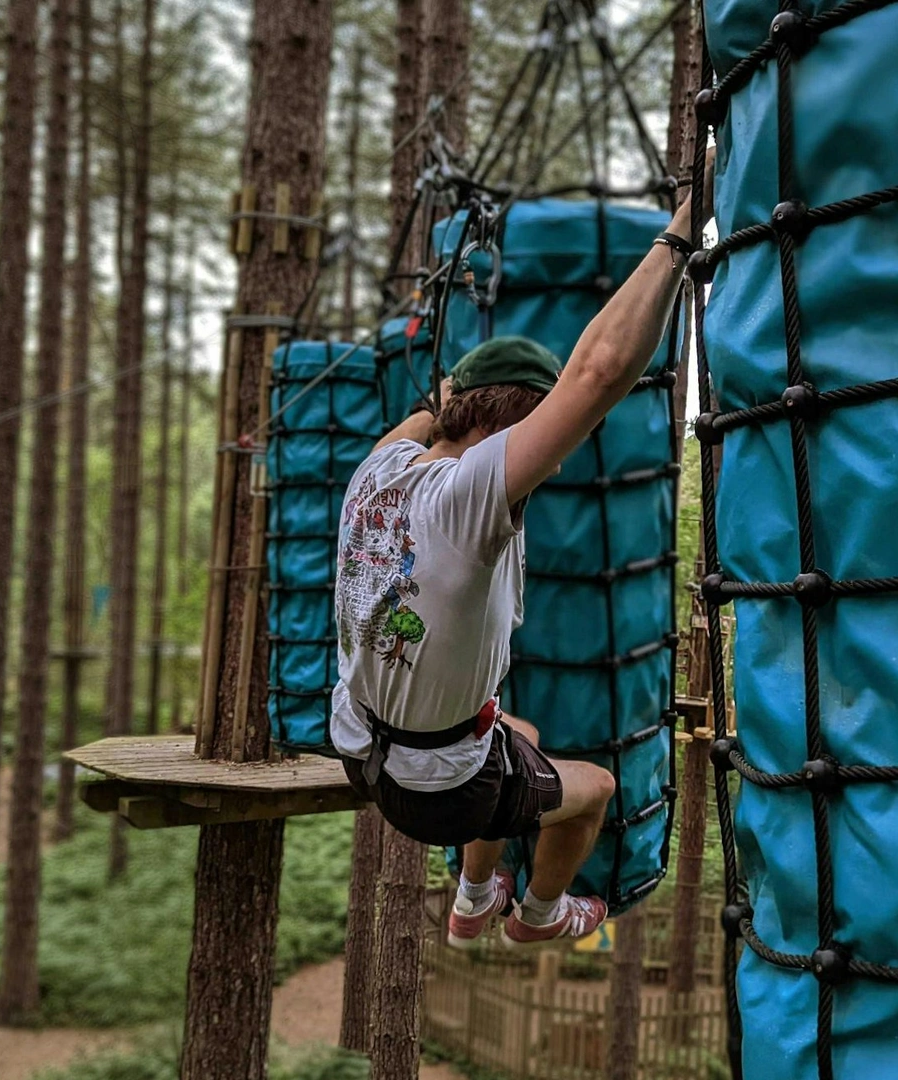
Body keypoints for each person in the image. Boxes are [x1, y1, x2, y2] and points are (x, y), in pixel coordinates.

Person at [332, 176, 707, 947]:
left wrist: (457, 390)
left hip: (361, 747)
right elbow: (598, 375)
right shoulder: (467, 500)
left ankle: (473, 898)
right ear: (518, 428)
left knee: (515, 728)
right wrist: (679, 233)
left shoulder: (377, 470)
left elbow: (439, 410)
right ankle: (537, 917)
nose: (556, 466)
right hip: (438, 789)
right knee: (597, 787)